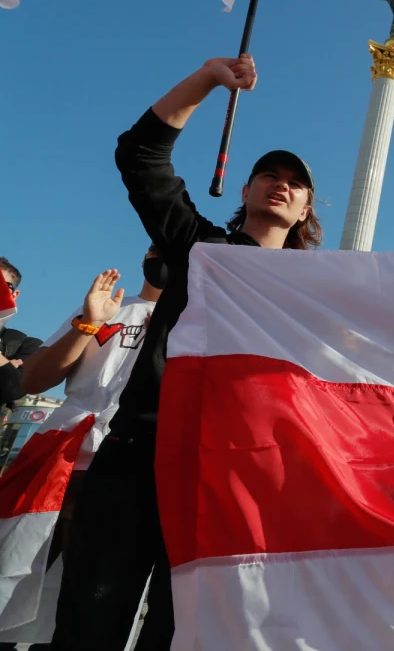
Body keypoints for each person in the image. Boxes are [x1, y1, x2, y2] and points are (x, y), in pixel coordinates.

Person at [51, 54, 321, 651]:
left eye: (296, 181)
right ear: (245, 189)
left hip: (232, 483)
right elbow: (140, 157)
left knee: (188, 639)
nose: (282, 183)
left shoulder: (318, 296)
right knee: (87, 630)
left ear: (306, 210)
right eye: (269, 174)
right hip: (136, 459)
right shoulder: (202, 249)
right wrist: (206, 78)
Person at [0, 254, 163, 649]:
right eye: (157, 247)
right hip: (60, 455)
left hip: (131, 468)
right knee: (11, 574)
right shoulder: (109, 305)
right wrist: (87, 324)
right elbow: (34, 379)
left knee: (83, 606)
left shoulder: (201, 321)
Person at [0, 257, 42, 407]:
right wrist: (5, 365)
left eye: (2, 286)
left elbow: (14, 389)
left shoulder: (26, 346)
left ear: (14, 295)